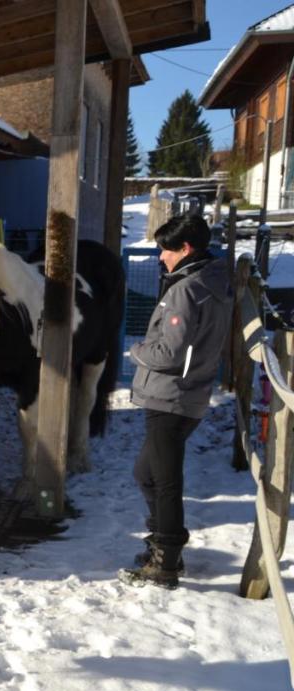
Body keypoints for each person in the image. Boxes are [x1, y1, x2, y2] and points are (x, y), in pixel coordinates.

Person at [119, 213, 233, 590]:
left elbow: (169, 352)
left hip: (170, 397)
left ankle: (166, 560)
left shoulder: (186, 289)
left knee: (165, 481)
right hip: (189, 393)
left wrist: (136, 350)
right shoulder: (211, 282)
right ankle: (162, 545)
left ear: (185, 249)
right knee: (147, 474)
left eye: (165, 250)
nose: (161, 258)